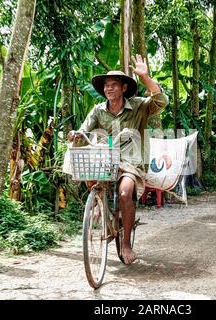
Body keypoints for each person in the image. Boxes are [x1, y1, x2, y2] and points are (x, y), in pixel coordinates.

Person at [67, 54, 169, 264]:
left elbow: (161, 100)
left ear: (123, 88)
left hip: (132, 161)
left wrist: (145, 77)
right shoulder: (98, 110)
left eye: (114, 85)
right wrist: (76, 134)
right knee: (89, 174)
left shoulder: (139, 106)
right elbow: (84, 129)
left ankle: (126, 244)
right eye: (106, 85)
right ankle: (101, 207)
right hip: (106, 159)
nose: (109, 89)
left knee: (124, 193)